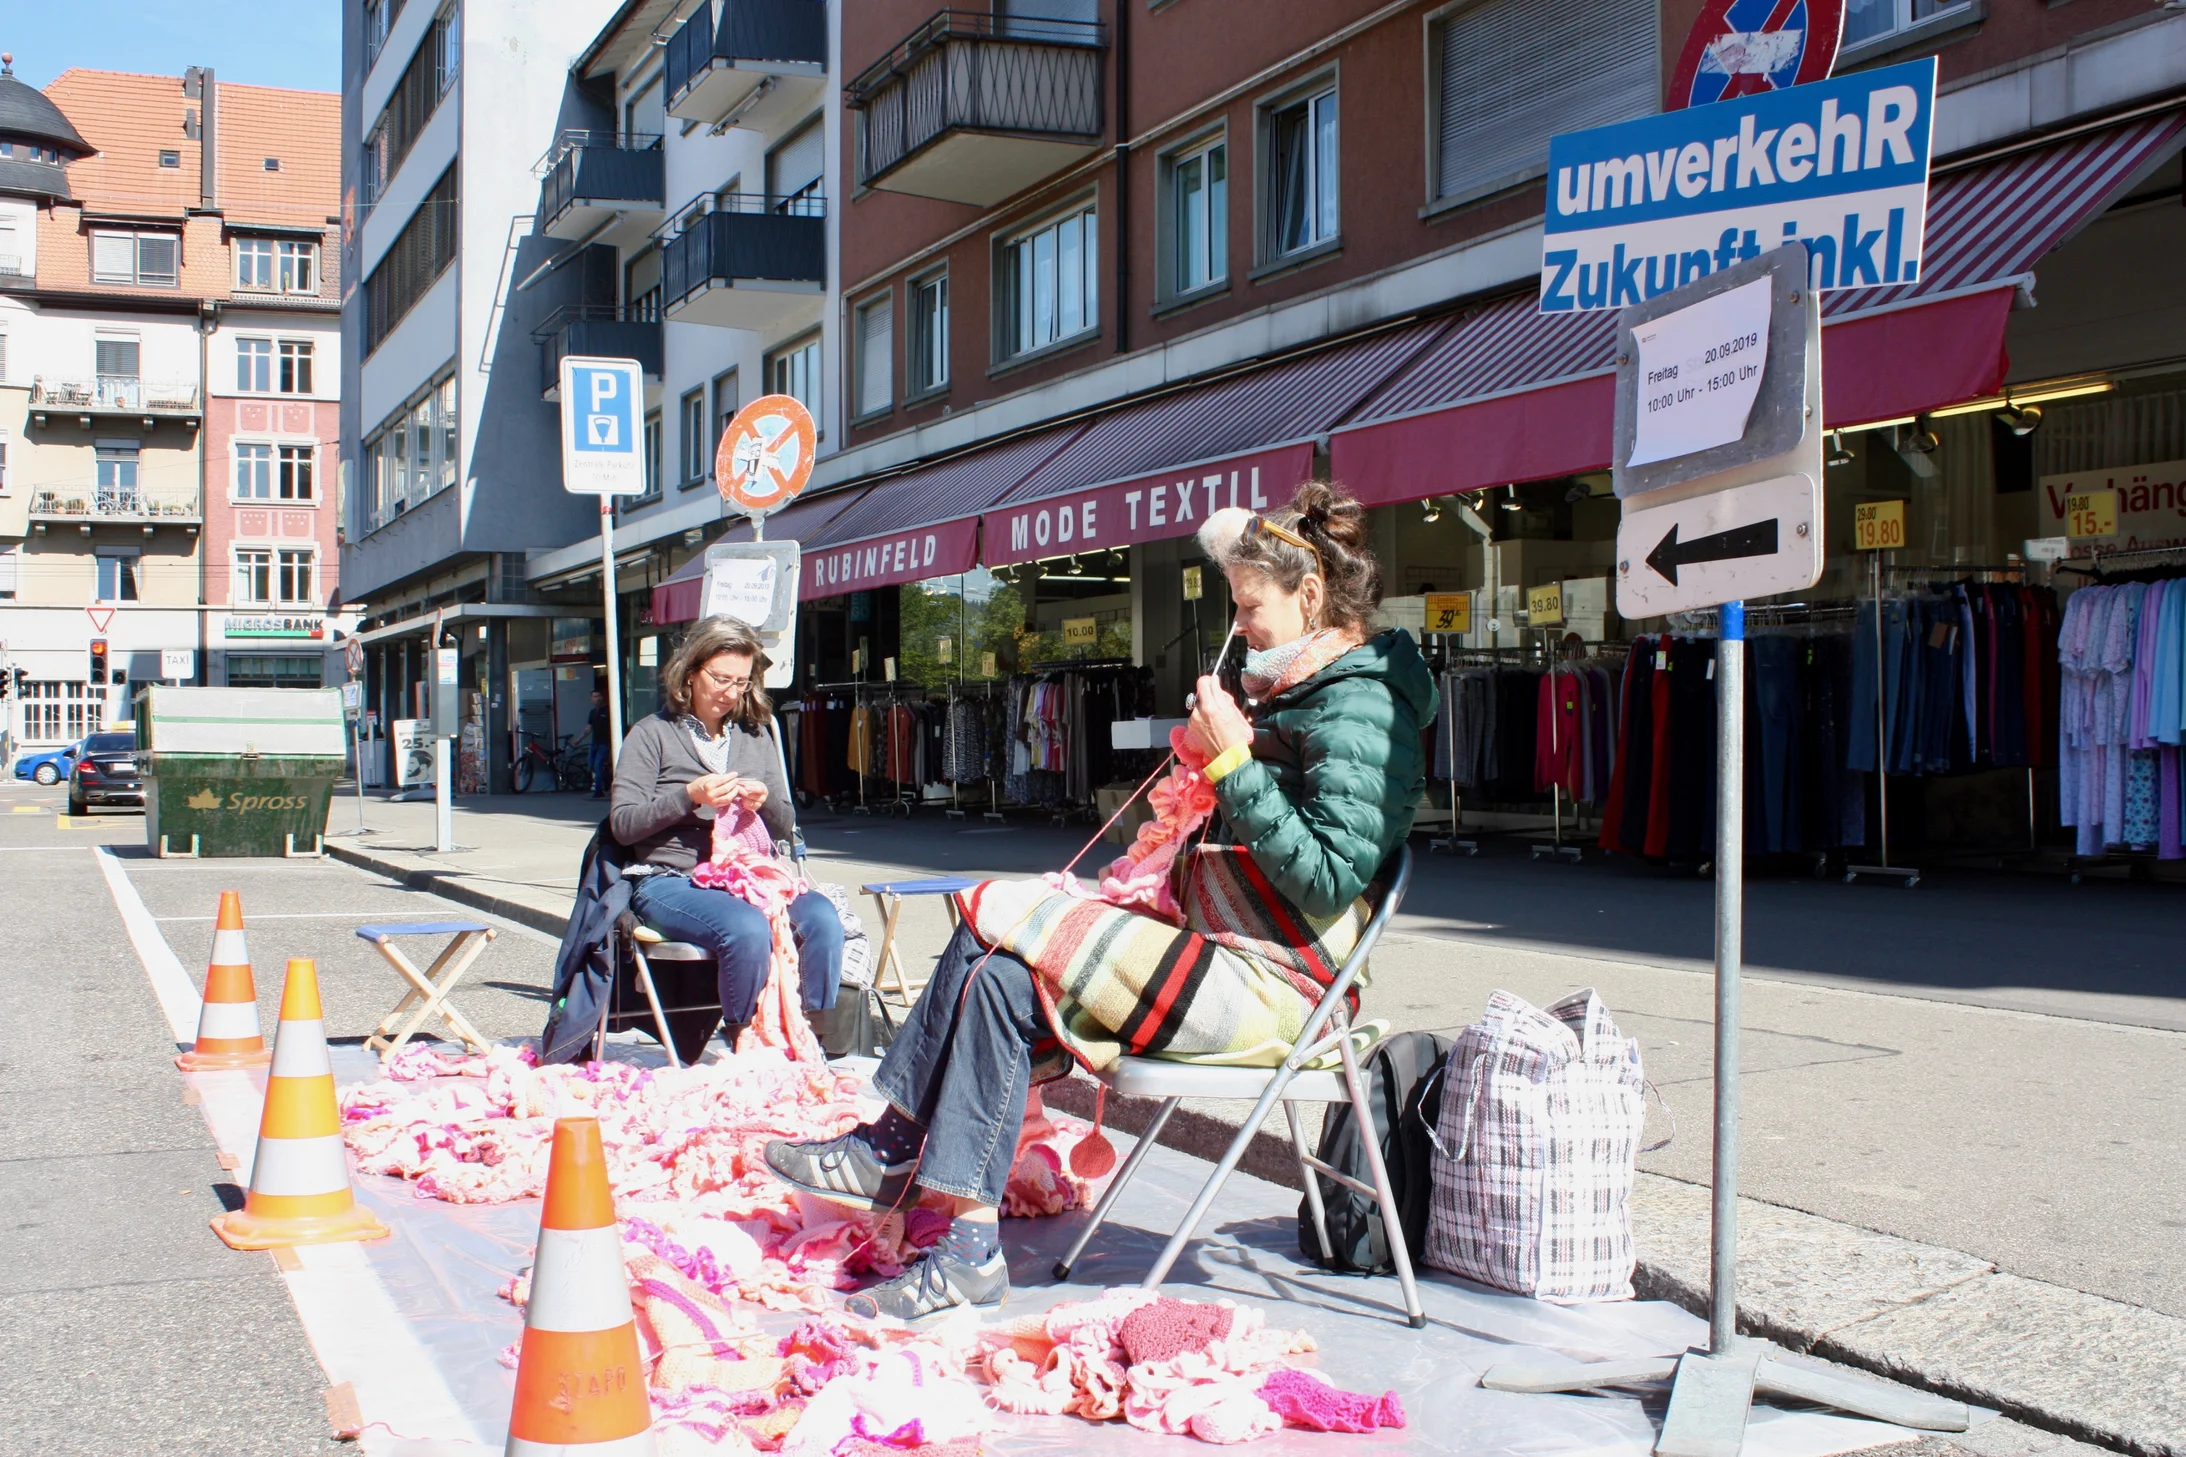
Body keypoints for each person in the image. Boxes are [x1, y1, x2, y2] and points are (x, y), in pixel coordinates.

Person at [765, 481, 1434, 1320]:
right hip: (1221, 957)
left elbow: (1330, 876)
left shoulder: (1364, 701)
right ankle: (965, 1248)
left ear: (1309, 596)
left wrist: (1232, 764)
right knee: (1001, 975)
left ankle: (890, 1146)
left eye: (1250, 606)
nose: (1240, 627)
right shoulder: (1300, 691)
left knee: (996, 911)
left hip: (1278, 989)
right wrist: (1219, 768)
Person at [609, 617, 842, 1045]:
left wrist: (764, 800)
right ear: (690, 672)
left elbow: (786, 825)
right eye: (720, 679)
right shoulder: (652, 734)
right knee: (746, 928)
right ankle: (748, 1040)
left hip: (745, 876)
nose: (731, 692)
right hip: (670, 879)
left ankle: (813, 1042)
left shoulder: (755, 735)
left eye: (741, 681)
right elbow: (623, 825)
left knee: (822, 919)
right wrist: (688, 796)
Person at [587, 690, 612, 798]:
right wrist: (578, 740)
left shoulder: (608, 710)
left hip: (605, 742)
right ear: (591, 699)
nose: (596, 698)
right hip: (595, 742)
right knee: (591, 765)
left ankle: (598, 790)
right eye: (594, 697)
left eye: (598, 696)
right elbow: (589, 728)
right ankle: (607, 781)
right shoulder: (592, 712)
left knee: (598, 765)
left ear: (602, 697)